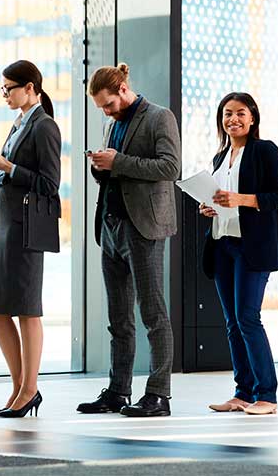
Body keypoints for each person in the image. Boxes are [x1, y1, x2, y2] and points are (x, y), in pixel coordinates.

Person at [77, 63, 180, 418]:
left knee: (152, 313)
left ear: (122, 88)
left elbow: (170, 168)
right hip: (110, 226)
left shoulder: (159, 117)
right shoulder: (112, 124)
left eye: (107, 104)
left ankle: (158, 395)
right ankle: (118, 391)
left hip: (144, 227)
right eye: (101, 108)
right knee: (118, 318)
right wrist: (100, 166)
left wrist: (118, 161)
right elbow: (116, 172)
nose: (105, 112)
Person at [0, 60, 61, 419]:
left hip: (26, 226)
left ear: (31, 88)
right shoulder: (19, 123)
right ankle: (18, 386)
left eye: (10, 88)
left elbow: (49, 184)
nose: (6, 94)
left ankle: (29, 389)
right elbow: (13, 171)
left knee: (26, 307)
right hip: (5, 222)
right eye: (4, 88)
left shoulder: (44, 126)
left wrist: (8, 167)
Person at [199, 93, 278, 415]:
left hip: (252, 245)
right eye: (227, 114)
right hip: (223, 242)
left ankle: (267, 395)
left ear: (253, 117)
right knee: (232, 323)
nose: (233, 119)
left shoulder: (264, 151)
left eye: (240, 113)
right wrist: (210, 207)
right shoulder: (220, 157)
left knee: (248, 318)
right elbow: (222, 199)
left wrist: (240, 199)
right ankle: (243, 392)